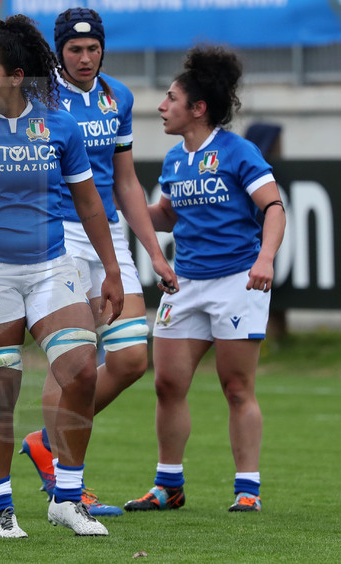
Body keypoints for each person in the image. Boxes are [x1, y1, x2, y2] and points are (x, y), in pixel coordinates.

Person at [0, 14, 124, 538]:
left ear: (16, 75)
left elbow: (90, 205)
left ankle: (68, 497)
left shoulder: (59, 123)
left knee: (81, 372)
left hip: (50, 266)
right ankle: (1, 511)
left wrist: (112, 271)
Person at [19, 8, 178, 516]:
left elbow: (126, 181)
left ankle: (48, 441)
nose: (85, 58)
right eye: (74, 50)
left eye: (92, 49)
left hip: (108, 236)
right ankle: (70, 483)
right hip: (59, 234)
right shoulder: (38, 97)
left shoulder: (118, 97)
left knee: (132, 359)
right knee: (74, 363)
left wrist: (154, 251)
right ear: (58, 51)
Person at [123, 45, 285, 513]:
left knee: (237, 388)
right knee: (167, 384)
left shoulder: (238, 151)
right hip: (185, 284)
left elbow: (273, 208)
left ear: (198, 108)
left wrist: (265, 258)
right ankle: (168, 485)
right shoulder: (176, 160)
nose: (161, 106)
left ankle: (248, 489)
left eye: (171, 98)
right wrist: (120, 208)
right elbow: (168, 215)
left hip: (237, 281)